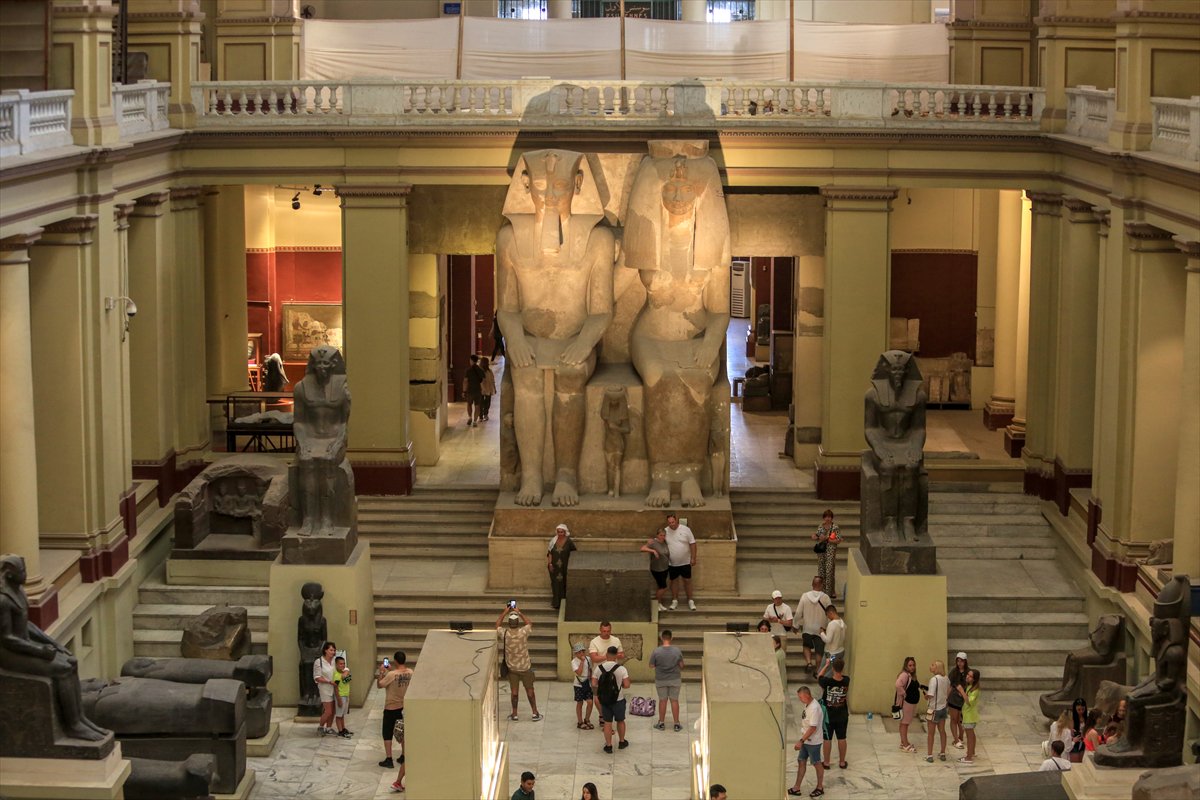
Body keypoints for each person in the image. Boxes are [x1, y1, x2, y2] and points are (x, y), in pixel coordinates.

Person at [496, 605, 542, 721]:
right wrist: (519, 612)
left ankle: (515, 714)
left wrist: (505, 612)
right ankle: (535, 713)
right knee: (530, 691)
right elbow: (529, 623)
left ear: (509, 623)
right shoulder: (523, 632)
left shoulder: (505, 634)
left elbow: (497, 625)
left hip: (512, 669)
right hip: (526, 667)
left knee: (514, 693)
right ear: (517, 622)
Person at [377, 650, 413, 769]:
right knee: (402, 732)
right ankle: (404, 755)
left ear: (395, 660)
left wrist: (382, 672)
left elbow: (380, 684)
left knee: (387, 733)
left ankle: (388, 759)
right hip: (403, 707)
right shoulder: (410, 672)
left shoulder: (391, 675)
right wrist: (390, 671)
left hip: (391, 707)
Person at [592, 645, 631, 753]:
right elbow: (627, 685)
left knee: (607, 722)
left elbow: (594, 684)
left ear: (606, 655)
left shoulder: (598, 668)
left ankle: (608, 746)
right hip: (618, 699)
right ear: (616, 656)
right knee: (620, 721)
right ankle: (622, 741)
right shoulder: (621, 669)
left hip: (604, 700)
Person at [789, 685, 825, 797]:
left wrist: (801, 741)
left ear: (807, 695)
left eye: (801, 697)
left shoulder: (814, 708)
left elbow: (813, 728)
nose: (799, 700)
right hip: (806, 740)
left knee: (816, 763)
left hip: (813, 742)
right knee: (801, 761)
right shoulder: (808, 703)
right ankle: (797, 788)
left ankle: (820, 787)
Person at [588, 621, 623, 728]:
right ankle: (602, 715)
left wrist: (612, 657)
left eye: (608, 631)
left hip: (614, 673)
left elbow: (621, 654)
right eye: (604, 631)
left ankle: (609, 715)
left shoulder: (616, 640)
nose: (606, 633)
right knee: (597, 696)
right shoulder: (594, 642)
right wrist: (608, 657)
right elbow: (594, 658)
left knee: (613, 694)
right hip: (599, 673)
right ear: (600, 630)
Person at [649, 629, 685, 731]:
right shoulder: (677, 651)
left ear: (661, 638)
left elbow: (651, 665)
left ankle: (661, 723)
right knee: (674, 701)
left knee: (662, 701)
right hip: (675, 679)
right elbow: (682, 665)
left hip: (661, 680)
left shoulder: (656, 651)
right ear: (671, 638)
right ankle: (677, 723)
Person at [817, 657, 849, 770]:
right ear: (842, 668)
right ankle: (842, 762)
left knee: (827, 738)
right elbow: (842, 676)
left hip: (828, 716)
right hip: (842, 715)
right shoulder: (846, 680)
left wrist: (826, 665)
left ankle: (826, 762)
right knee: (842, 738)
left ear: (833, 668)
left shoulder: (827, 682)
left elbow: (819, 676)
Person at [798, 577, 831, 674]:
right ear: (821, 585)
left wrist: (795, 624)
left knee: (806, 646)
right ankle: (817, 670)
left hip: (807, 627)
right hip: (820, 629)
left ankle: (808, 663)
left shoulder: (805, 596)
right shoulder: (825, 597)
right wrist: (829, 626)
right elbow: (830, 612)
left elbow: (799, 612)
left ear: (812, 584)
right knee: (819, 651)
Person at [664, 513, 697, 610]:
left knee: (687, 581)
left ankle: (690, 600)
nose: (671, 524)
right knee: (673, 581)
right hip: (672, 563)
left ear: (676, 520)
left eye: (673, 522)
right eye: (669, 522)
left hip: (686, 562)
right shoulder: (665, 531)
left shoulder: (686, 529)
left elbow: (693, 544)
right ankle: (674, 600)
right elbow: (659, 540)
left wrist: (693, 557)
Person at [894, 656, 923, 753]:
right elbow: (898, 684)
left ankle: (903, 742)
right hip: (906, 703)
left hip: (910, 704)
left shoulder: (911, 676)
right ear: (906, 666)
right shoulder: (905, 675)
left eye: (913, 665)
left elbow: (915, 685)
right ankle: (905, 744)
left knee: (904, 723)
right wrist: (904, 694)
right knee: (904, 723)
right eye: (910, 665)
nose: (912, 667)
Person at [546, 524, 577, 611]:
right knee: (555, 584)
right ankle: (556, 603)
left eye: (562, 532)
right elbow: (549, 553)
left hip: (565, 567)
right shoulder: (553, 541)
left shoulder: (569, 542)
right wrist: (550, 564)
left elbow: (574, 554)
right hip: (554, 568)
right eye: (558, 532)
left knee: (564, 584)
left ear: (565, 532)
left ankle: (564, 603)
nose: (560, 533)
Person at [924, 660, 950, 762]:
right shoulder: (946, 678)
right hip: (943, 708)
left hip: (933, 709)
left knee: (931, 733)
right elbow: (949, 689)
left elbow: (931, 694)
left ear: (937, 668)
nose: (931, 666)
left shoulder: (934, 679)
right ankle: (942, 753)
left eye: (933, 665)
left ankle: (930, 755)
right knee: (942, 731)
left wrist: (926, 696)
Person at [812, 510, 841, 599]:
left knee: (829, 571)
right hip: (821, 551)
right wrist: (815, 537)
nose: (828, 518)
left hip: (830, 551)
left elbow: (838, 540)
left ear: (832, 518)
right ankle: (821, 590)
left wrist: (827, 539)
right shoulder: (820, 526)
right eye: (826, 517)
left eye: (829, 517)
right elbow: (816, 536)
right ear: (824, 518)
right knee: (821, 570)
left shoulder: (835, 527)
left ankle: (829, 592)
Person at [640, 528, 671, 611]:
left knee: (660, 586)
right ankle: (656, 603)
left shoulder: (665, 542)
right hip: (657, 569)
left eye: (664, 535)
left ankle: (659, 603)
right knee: (663, 587)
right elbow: (642, 548)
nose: (662, 537)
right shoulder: (653, 542)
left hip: (665, 567)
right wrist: (653, 550)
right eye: (661, 535)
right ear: (657, 535)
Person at [314, 641, 338, 735]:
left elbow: (342, 669)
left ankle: (329, 727)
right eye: (331, 650)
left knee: (333, 711)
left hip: (335, 688)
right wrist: (329, 682)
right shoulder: (319, 662)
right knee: (328, 711)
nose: (333, 652)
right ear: (325, 650)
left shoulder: (335, 660)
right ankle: (320, 726)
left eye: (334, 650)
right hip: (325, 689)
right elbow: (317, 677)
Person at [957, 668, 981, 764]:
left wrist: (962, 691)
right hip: (968, 715)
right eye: (968, 674)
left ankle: (968, 757)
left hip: (970, 717)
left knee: (969, 737)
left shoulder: (975, 690)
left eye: (970, 676)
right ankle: (972, 752)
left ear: (974, 679)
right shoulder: (970, 687)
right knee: (972, 735)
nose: (967, 676)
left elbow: (969, 702)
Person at [570, 642, 595, 730]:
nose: (581, 654)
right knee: (579, 703)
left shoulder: (588, 659)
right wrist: (582, 662)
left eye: (583, 651)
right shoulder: (574, 662)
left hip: (587, 683)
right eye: (579, 652)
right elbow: (579, 672)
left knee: (590, 702)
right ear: (576, 653)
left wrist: (592, 681)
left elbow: (590, 670)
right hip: (578, 684)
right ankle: (580, 722)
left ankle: (587, 719)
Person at [815, 604, 844, 678]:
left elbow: (828, 640)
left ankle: (823, 685)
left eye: (827, 615)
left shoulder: (832, 624)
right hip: (840, 651)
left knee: (824, 671)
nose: (827, 617)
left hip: (831, 653)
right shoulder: (842, 623)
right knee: (833, 671)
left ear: (830, 613)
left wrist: (821, 632)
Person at [948, 651, 969, 749]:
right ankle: (956, 740)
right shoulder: (953, 672)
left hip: (963, 700)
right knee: (954, 719)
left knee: (961, 721)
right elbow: (950, 686)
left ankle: (960, 737)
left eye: (961, 661)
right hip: (953, 699)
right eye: (958, 661)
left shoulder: (968, 672)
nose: (959, 663)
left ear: (965, 662)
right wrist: (946, 698)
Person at [332, 655, 353, 738]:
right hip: (340, 696)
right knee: (339, 715)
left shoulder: (343, 673)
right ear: (336, 665)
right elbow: (335, 687)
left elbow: (348, 680)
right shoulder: (337, 675)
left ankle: (343, 728)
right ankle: (340, 731)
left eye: (344, 664)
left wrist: (346, 673)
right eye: (340, 664)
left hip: (346, 695)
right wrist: (339, 699)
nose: (343, 665)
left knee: (342, 714)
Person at [464, 353, 485, 427]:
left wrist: (464, 391)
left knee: (469, 404)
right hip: (478, 390)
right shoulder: (480, 370)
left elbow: (465, 381)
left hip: (470, 390)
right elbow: (483, 380)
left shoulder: (468, 370)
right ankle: (475, 421)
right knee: (477, 406)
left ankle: (470, 417)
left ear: (471, 360)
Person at [479, 356, 497, 421]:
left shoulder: (490, 371)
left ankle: (485, 414)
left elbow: (492, 380)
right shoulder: (479, 371)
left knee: (487, 403)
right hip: (481, 390)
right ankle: (480, 416)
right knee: (481, 403)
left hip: (488, 389)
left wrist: (494, 388)